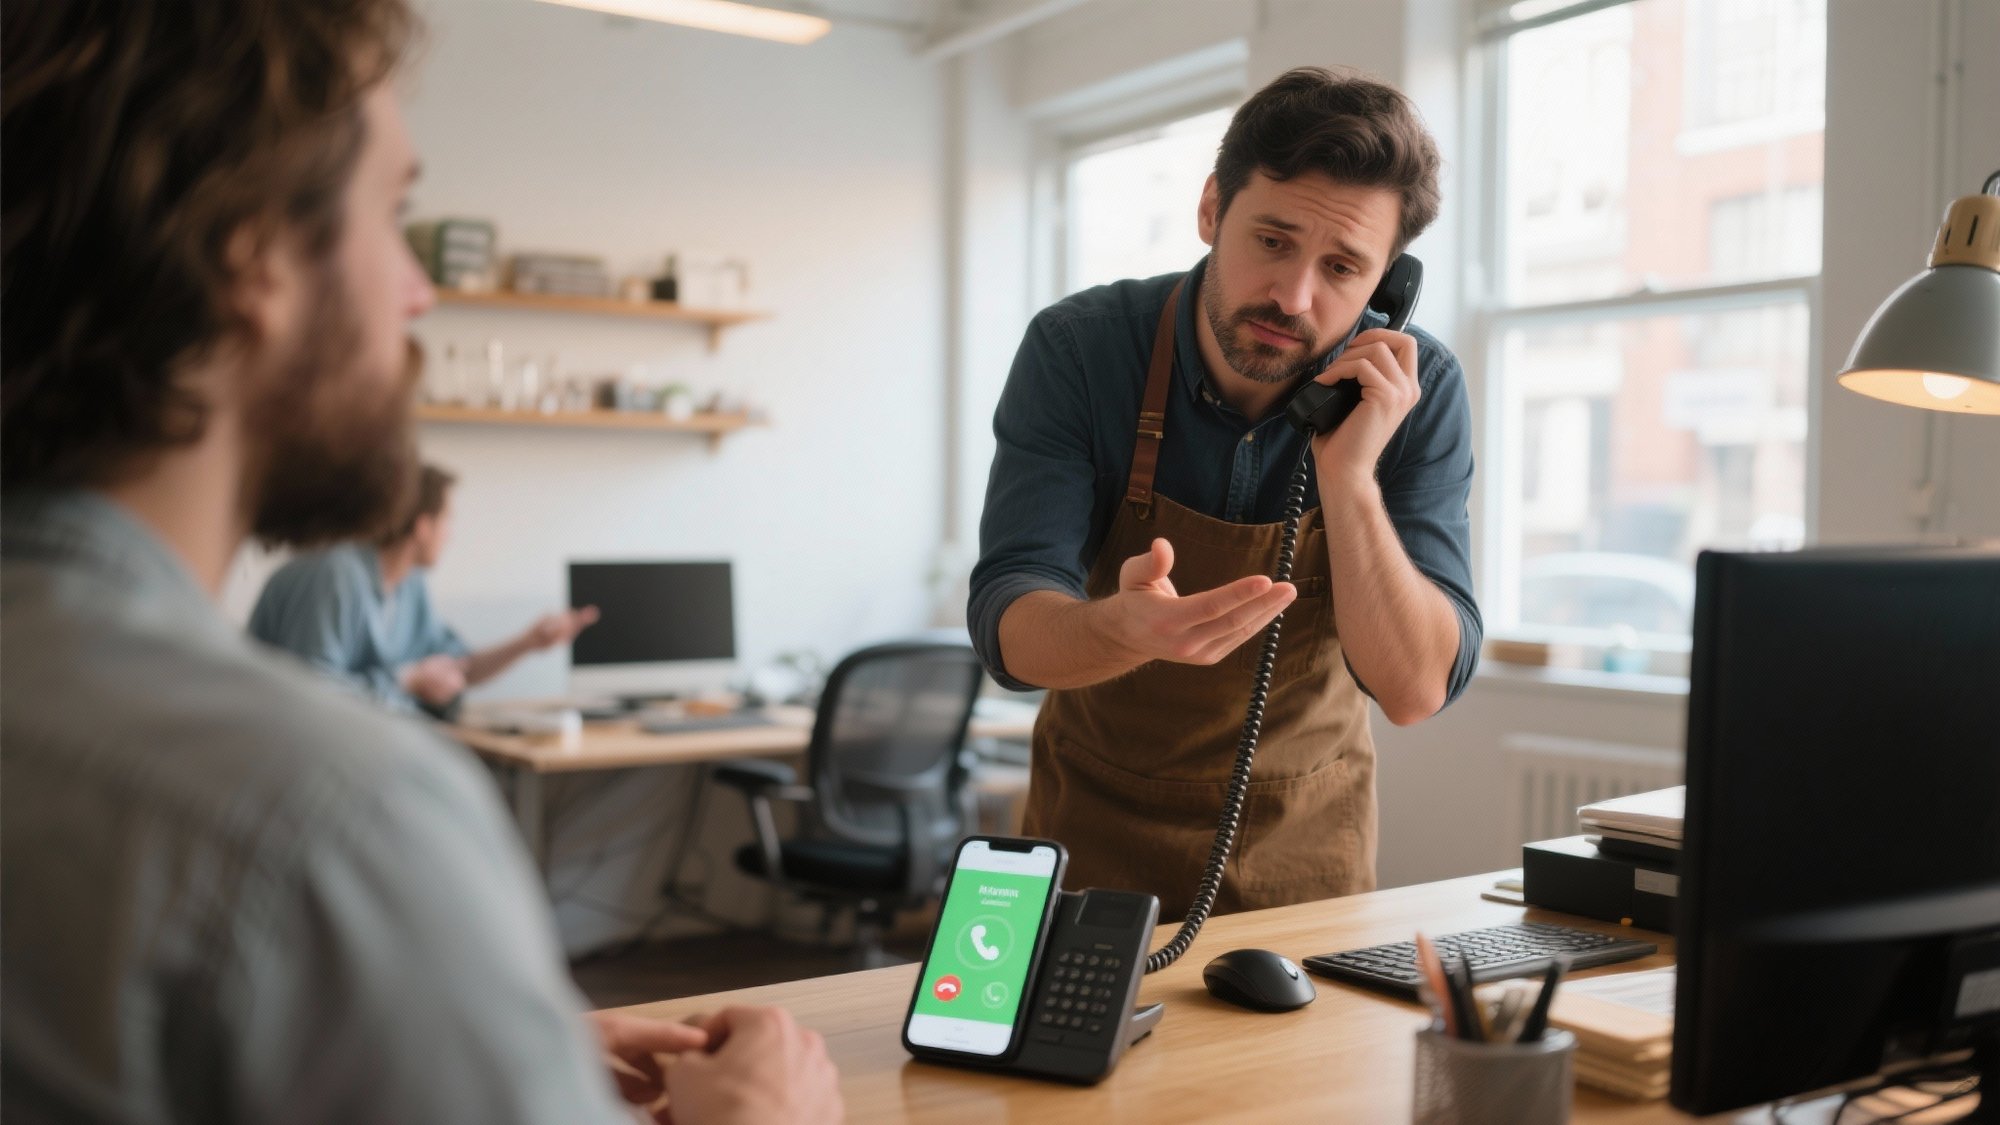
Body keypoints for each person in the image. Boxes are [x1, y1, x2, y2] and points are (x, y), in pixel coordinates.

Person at [0, 2, 840, 1122]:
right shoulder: (333, 817)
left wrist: (473, 1033)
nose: (420, 291)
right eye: (394, 215)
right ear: (250, 252)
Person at [969, 68, 1481, 920]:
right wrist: (1121, 631)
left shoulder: (1416, 390)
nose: (1293, 296)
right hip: (1090, 837)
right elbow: (1008, 628)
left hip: (1303, 858)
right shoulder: (1078, 350)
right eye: (1272, 241)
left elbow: (1415, 690)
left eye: (1343, 267)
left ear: (1388, 283)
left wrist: (1349, 478)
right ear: (1212, 209)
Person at [249, 462, 599, 715]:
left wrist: (527, 643)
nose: (451, 535)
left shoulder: (409, 584)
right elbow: (311, 697)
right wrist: (406, 681)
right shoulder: (335, 575)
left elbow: (459, 667)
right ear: (422, 527)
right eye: (448, 520)